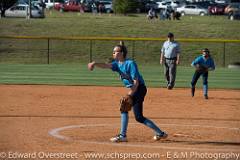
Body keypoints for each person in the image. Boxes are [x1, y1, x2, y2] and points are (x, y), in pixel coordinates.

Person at [88, 41, 168, 142]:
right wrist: (94, 63)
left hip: (139, 89)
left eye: (115, 52)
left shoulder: (130, 64)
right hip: (134, 89)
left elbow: (136, 82)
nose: (113, 53)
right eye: (113, 52)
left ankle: (123, 136)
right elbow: (106, 65)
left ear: (122, 53)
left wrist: (130, 94)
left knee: (131, 112)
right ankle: (160, 133)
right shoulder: (117, 64)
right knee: (131, 112)